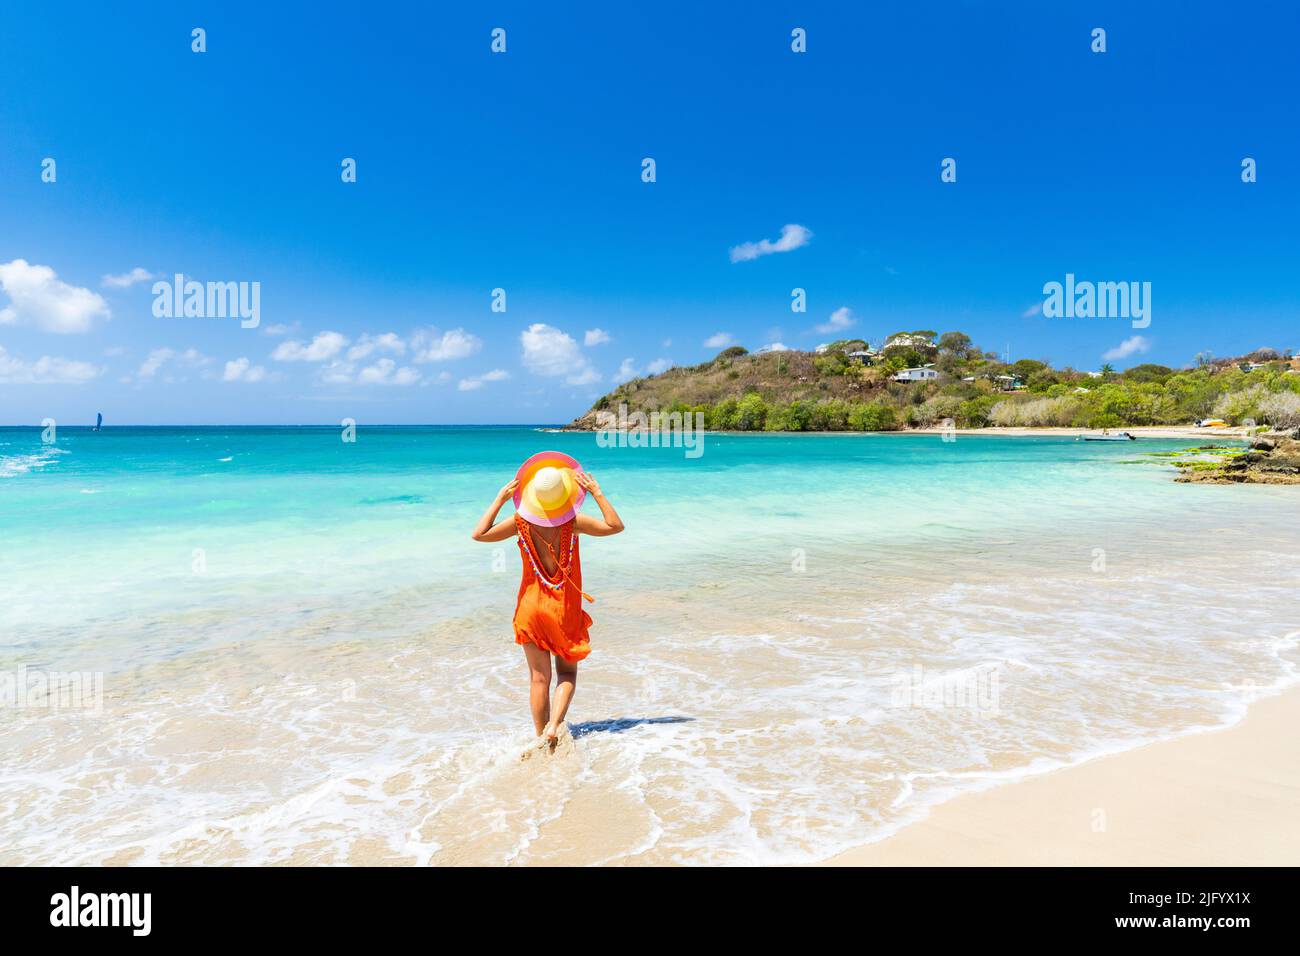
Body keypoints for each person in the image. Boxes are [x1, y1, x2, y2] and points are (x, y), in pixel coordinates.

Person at [471, 452, 624, 747]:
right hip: (562, 609)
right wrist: (597, 493)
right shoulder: (574, 522)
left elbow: (479, 534)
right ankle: (555, 725)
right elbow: (615, 526)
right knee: (566, 672)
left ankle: (542, 738)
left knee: (538, 679)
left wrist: (500, 499)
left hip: (530, 608)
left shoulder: (520, 523)